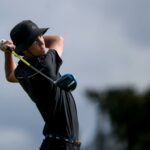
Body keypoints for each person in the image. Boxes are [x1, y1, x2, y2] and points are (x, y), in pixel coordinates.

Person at [0, 20, 81, 150]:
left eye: (40, 36)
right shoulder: (46, 65)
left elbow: (10, 75)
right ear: (24, 49)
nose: (41, 41)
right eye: (34, 40)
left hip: (54, 143)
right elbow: (58, 39)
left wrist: (9, 52)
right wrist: (15, 47)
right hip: (62, 145)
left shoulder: (22, 72)